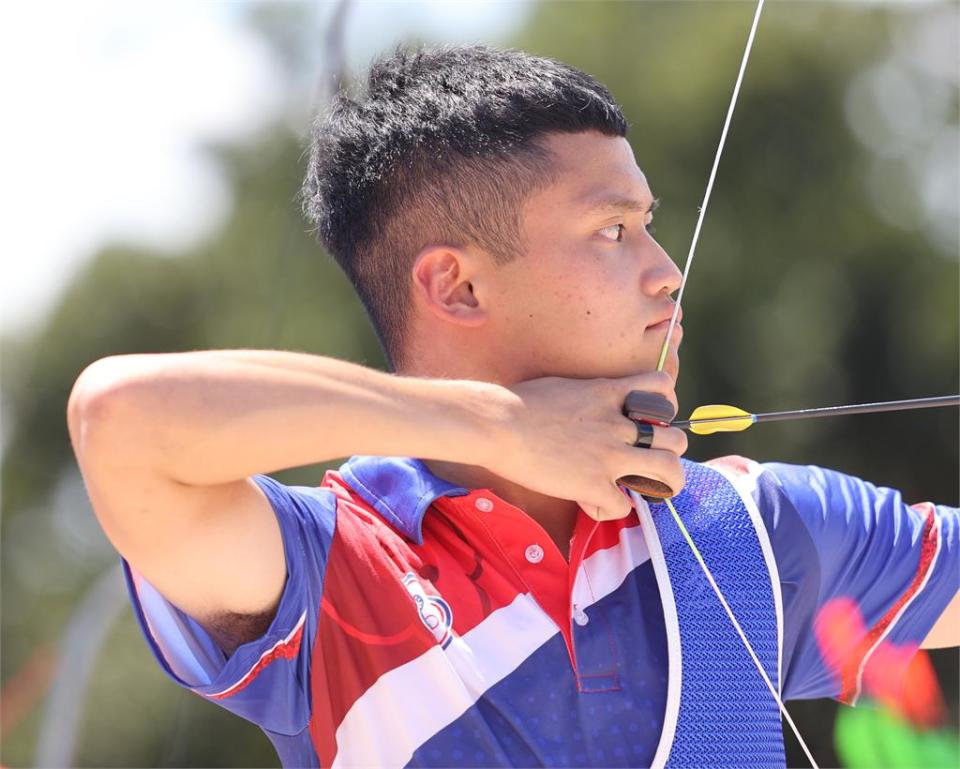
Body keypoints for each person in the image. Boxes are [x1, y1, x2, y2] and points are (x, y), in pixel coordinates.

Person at [66, 44, 958, 768]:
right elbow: (118, 421)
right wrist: (502, 427)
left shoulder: (750, 527)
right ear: (453, 287)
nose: (666, 270)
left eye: (650, 222)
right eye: (613, 230)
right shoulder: (332, 571)